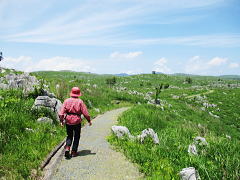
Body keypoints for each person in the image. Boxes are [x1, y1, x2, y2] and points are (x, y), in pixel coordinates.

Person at [59, 87, 92, 159]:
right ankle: (74, 151)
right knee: (77, 136)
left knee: (69, 135)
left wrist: (61, 121)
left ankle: (67, 147)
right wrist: (89, 120)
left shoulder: (66, 101)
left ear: (71, 93)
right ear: (78, 94)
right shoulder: (80, 102)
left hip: (68, 121)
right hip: (77, 121)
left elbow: (61, 113)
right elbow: (85, 113)